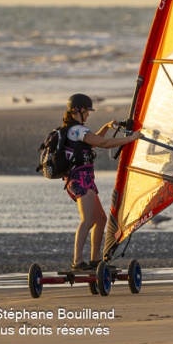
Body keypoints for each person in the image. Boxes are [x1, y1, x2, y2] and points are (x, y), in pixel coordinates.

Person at [62, 93, 142, 271]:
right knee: (87, 220)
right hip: (80, 179)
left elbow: (93, 142)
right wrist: (131, 139)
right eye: (87, 111)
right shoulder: (77, 130)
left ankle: (95, 261)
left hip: (83, 179)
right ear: (79, 110)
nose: (89, 114)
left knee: (100, 218)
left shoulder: (74, 131)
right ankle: (78, 261)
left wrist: (106, 126)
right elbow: (104, 143)